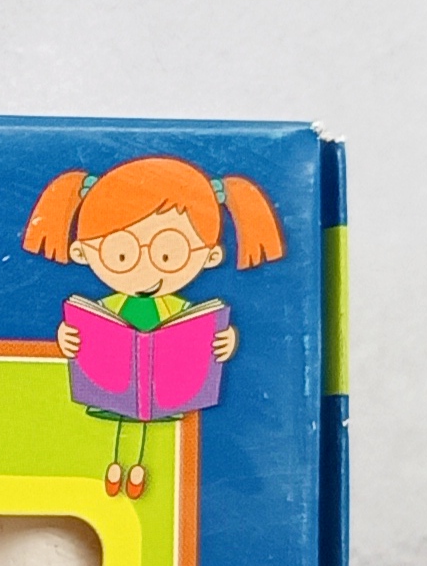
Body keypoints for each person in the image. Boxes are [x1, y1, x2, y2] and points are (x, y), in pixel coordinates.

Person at [20, 155, 286, 494]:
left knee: (147, 430)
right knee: (121, 425)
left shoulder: (179, 310)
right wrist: (67, 337)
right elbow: (85, 328)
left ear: (211, 256)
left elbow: (203, 331)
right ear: (82, 252)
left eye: (168, 255)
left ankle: (139, 472)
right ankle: (116, 467)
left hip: (168, 391)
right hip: (111, 382)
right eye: (122, 255)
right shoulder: (107, 308)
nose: (145, 269)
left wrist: (226, 341)